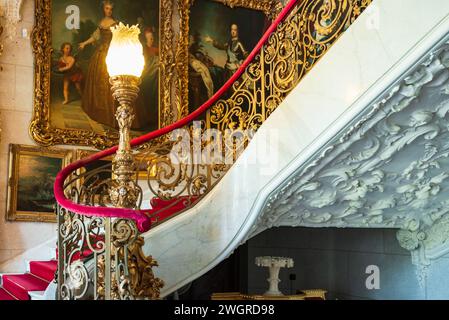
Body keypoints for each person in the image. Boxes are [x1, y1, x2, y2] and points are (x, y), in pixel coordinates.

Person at [78, 0, 118, 128]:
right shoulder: (101, 22)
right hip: (100, 52)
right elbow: (95, 36)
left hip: (110, 52)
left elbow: (118, 39)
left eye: (110, 9)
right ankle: (96, 110)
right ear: (104, 9)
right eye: (107, 8)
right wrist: (84, 43)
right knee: (97, 79)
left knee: (107, 80)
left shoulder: (115, 24)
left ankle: (108, 113)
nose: (109, 11)